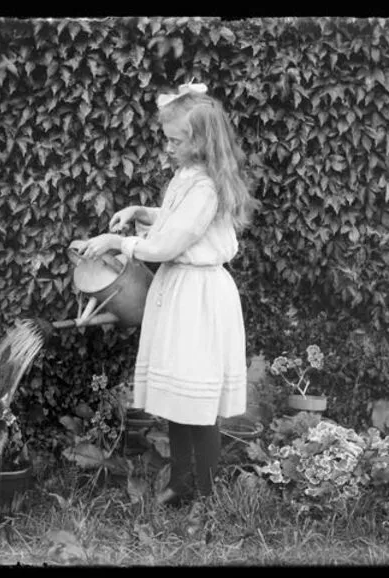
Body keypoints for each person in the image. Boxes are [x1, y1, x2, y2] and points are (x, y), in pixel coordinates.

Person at [72, 81, 260, 511]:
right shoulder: (188, 177)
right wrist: (141, 212)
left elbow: (165, 245)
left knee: (197, 402)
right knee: (179, 400)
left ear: (200, 140)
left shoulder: (206, 187)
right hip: (179, 292)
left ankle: (207, 498)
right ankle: (179, 484)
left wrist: (116, 242)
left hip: (199, 298)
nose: (169, 147)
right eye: (168, 139)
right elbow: (172, 221)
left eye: (176, 140)